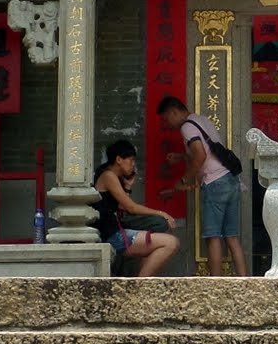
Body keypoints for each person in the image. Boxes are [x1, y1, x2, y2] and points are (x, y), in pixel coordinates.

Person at [159, 95, 248, 277]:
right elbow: (208, 150)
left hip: (215, 183)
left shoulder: (186, 127)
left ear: (174, 111)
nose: (168, 124)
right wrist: (182, 157)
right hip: (230, 180)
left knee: (213, 236)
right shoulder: (202, 120)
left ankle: (214, 284)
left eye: (167, 118)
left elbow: (200, 155)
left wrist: (184, 180)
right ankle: (245, 280)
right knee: (232, 236)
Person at [94, 139, 179, 278]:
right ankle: (140, 284)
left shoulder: (114, 176)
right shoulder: (108, 176)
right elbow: (130, 207)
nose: (133, 165)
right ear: (119, 159)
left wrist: (127, 186)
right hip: (112, 234)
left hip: (114, 230)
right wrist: (162, 213)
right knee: (171, 243)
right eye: (131, 160)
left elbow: (121, 206)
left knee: (158, 226)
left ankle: (140, 280)